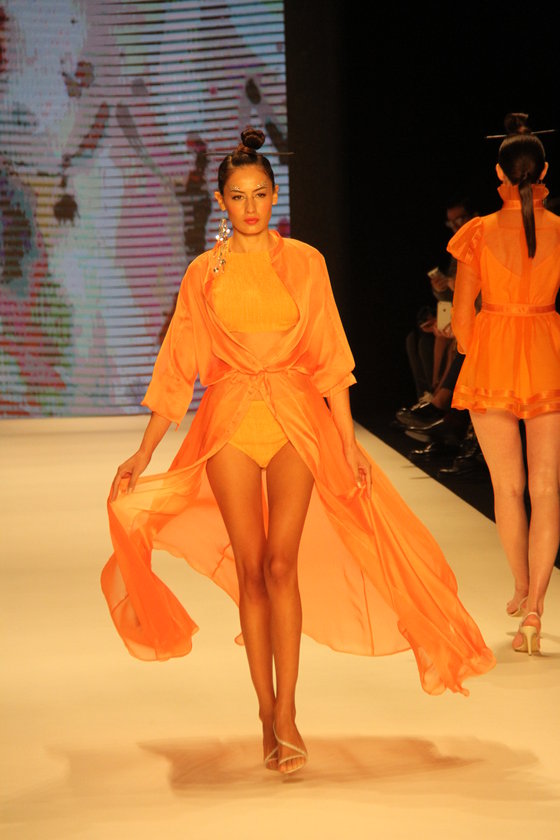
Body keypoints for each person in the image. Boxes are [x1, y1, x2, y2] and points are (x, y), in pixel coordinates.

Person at [102, 128, 495, 776]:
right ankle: (265, 712)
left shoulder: (307, 263)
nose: (250, 206)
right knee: (252, 569)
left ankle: (288, 711)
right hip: (229, 423)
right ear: (221, 202)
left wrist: (348, 443)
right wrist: (142, 454)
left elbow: (331, 358)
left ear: (274, 194)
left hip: (295, 419)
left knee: (283, 565)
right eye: (237, 196)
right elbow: (177, 367)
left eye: (260, 193)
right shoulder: (202, 274)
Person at [448, 112, 560, 655]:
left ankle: (520, 586)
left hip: (493, 355)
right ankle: (535, 606)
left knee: (508, 489)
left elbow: (461, 321)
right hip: (547, 354)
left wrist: (481, 349)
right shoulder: (559, 229)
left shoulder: (479, 232)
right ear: (545, 172)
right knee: (546, 489)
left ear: (499, 174)